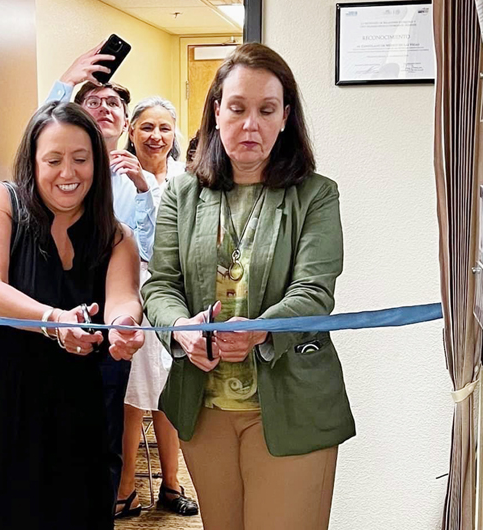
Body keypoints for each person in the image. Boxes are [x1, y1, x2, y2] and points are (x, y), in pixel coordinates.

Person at [142, 43, 356, 530]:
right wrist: (179, 329)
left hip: (290, 405)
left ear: (285, 117)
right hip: (203, 406)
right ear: (217, 113)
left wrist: (260, 329)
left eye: (266, 110)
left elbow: (314, 292)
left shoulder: (316, 194)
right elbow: (160, 285)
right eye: (237, 108)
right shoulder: (182, 192)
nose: (250, 124)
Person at [0, 101, 145, 530]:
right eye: (54, 160)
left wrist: (123, 329)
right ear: (33, 160)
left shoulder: (116, 236)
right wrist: (54, 321)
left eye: (81, 160)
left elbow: (123, 300)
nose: (69, 173)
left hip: (75, 418)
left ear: (97, 164)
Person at [44, 44, 160, 510]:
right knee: (48, 425)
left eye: (113, 103)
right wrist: (66, 81)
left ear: (125, 120)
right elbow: (38, 133)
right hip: (50, 310)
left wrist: (143, 190)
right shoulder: (56, 165)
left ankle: (104, 507)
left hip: (113, 313)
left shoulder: (136, 178)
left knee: (107, 422)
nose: (104, 108)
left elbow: (149, 252)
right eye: (93, 101)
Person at [117, 97, 199, 518]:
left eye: (164, 128)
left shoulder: (188, 181)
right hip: (129, 290)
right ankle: (126, 488)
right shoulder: (116, 176)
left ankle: (171, 484)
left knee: (170, 391)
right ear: (131, 130)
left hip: (175, 296)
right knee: (133, 394)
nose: (156, 136)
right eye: (147, 127)